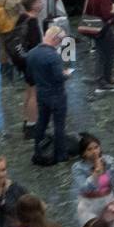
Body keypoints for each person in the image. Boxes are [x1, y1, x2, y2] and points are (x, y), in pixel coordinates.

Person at [26, 24, 70, 164]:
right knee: (59, 126)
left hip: (41, 93)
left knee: (41, 123)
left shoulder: (32, 53)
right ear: (55, 39)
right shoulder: (53, 56)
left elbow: (29, 75)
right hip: (56, 94)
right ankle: (60, 155)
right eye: (60, 40)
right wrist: (66, 74)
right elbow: (59, 77)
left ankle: (39, 150)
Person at [72, 133, 114, 227]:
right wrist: (96, 172)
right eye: (89, 149)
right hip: (89, 205)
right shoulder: (78, 168)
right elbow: (85, 188)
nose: (94, 152)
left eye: (96, 147)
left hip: (108, 201)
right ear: (83, 153)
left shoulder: (109, 161)